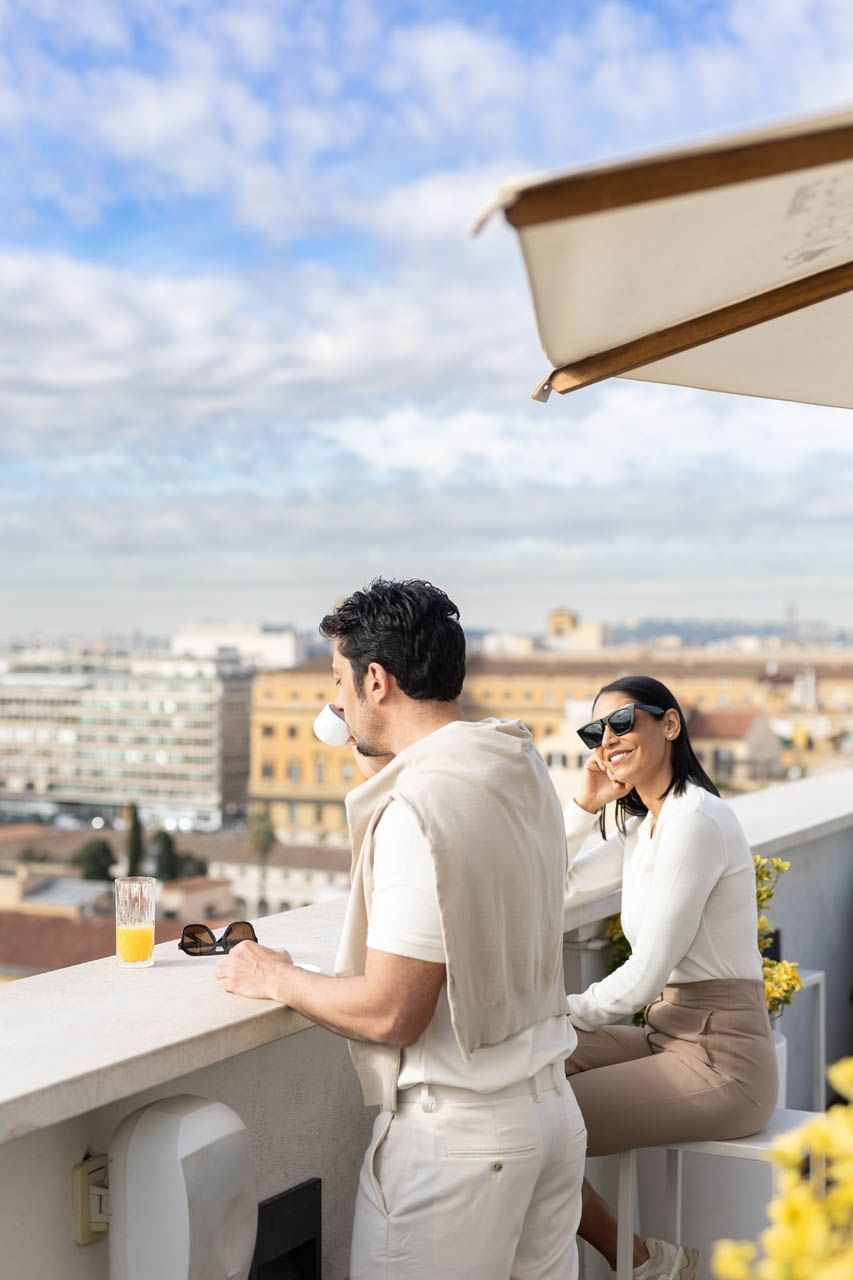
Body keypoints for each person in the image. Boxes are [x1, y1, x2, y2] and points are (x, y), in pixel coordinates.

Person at [216, 578, 586, 1280]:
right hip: (548, 1120)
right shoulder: (514, 761)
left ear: (376, 681)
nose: (337, 698)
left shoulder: (418, 809)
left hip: (461, 1145)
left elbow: (392, 1011)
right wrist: (377, 757)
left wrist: (275, 976)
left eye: (338, 679)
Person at [562, 675, 777, 1280]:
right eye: (595, 731)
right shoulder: (644, 825)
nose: (608, 739)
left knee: (537, 1119)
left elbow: (645, 973)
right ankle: (643, 1259)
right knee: (524, 1066)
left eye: (624, 721)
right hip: (668, 1034)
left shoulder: (696, 821)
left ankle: (643, 1261)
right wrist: (584, 808)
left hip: (723, 1060)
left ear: (671, 725)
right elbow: (552, 889)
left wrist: (551, 1012)